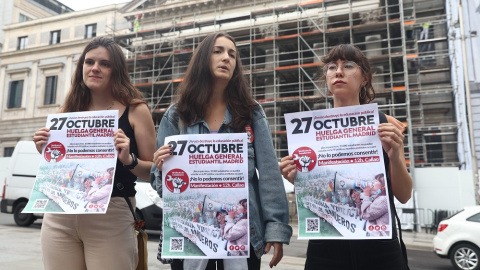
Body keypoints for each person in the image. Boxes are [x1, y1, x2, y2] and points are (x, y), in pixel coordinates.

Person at [151, 32, 292, 270]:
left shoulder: (252, 113)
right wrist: (161, 168)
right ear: (203, 59)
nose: (226, 57)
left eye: (232, 54)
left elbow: (268, 175)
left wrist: (276, 228)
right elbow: (161, 188)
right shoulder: (176, 115)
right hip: (190, 238)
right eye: (218, 51)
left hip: (242, 238)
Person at [279, 44, 413, 270]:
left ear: (364, 78)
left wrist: (396, 156)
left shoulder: (385, 124)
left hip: (379, 249)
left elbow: (404, 195)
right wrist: (298, 180)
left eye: (348, 65)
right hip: (326, 246)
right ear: (327, 78)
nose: (338, 71)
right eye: (332, 67)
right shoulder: (308, 133)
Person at [32, 36, 156, 270]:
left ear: (116, 70)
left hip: (111, 214)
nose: (95, 68)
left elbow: (154, 172)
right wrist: (45, 150)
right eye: (89, 62)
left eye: (105, 64)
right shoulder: (66, 111)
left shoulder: (136, 109)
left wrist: (129, 159)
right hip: (60, 214)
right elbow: (59, 168)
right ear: (81, 68)